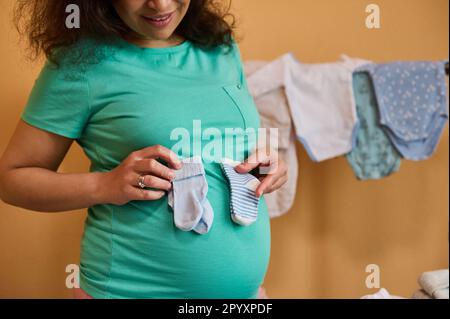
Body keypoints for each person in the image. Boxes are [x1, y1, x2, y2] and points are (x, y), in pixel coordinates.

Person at [0, 0, 288, 299]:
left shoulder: (219, 45)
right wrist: (104, 185)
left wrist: (267, 164)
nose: (160, 4)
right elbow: (12, 180)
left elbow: (237, 139)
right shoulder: (81, 62)